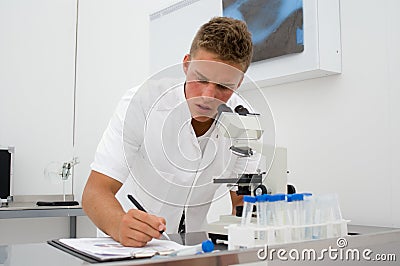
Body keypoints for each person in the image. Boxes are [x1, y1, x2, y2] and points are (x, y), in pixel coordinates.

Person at [82, 16, 261, 247]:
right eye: (201, 79)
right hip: (127, 245)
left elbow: (243, 203)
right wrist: (118, 224)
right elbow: (95, 191)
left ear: (238, 83)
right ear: (187, 65)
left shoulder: (245, 122)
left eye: (223, 86)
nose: (208, 95)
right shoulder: (142, 103)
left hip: (194, 249)